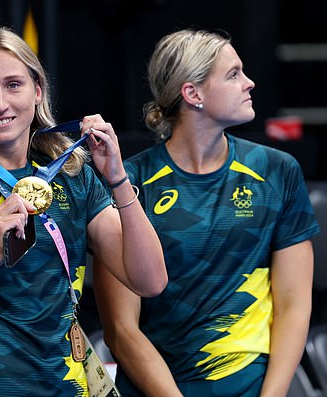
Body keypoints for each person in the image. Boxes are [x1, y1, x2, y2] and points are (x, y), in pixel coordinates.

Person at [0, 27, 167, 396]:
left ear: (38, 90)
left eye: (13, 85)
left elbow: (150, 281)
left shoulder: (76, 178)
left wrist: (118, 178)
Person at [93, 29, 320, 397]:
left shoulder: (278, 170)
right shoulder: (128, 180)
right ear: (192, 94)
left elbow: (293, 307)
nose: (250, 83)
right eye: (233, 74)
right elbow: (121, 329)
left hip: (254, 388)